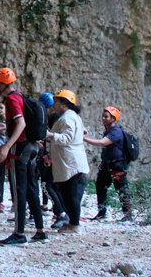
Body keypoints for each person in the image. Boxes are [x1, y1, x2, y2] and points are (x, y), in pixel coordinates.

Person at [0, 67, 47, 245]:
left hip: (19, 148)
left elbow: (21, 123)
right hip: (30, 146)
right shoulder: (21, 95)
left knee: (19, 190)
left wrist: (7, 146)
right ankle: (40, 231)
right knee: (31, 188)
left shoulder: (11, 98)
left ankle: (19, 233)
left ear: (1, 84)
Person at [45, 90, 89, 233]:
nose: (54, 105)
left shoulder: (67, 118)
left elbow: (67, 138)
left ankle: (74, 225)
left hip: (70, 163)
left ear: (64, 103)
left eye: (56, 101)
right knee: (68, 194)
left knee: (71, 195)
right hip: (69, 162)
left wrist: (50, 135)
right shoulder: (70, 117)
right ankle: (72, 223)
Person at [84, 106, 134, 221]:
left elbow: (103, 143)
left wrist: (84, 139)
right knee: (100, 186)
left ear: (113, 118)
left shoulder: (116, 132)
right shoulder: (109, 131)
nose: (103, 118)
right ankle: (102, 212)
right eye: (103, 116)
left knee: (121, 189)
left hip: (117, 166)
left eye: (106, 117)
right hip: (108, 165)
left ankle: (128, 214)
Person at [39, 92, 68, 229]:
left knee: (47, 185)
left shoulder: (52, 119)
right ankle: (61, 212)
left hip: (50, 157)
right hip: (53, 156)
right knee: (54, 186)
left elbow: (51, 138)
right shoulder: (57, 118)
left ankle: (61, 213)